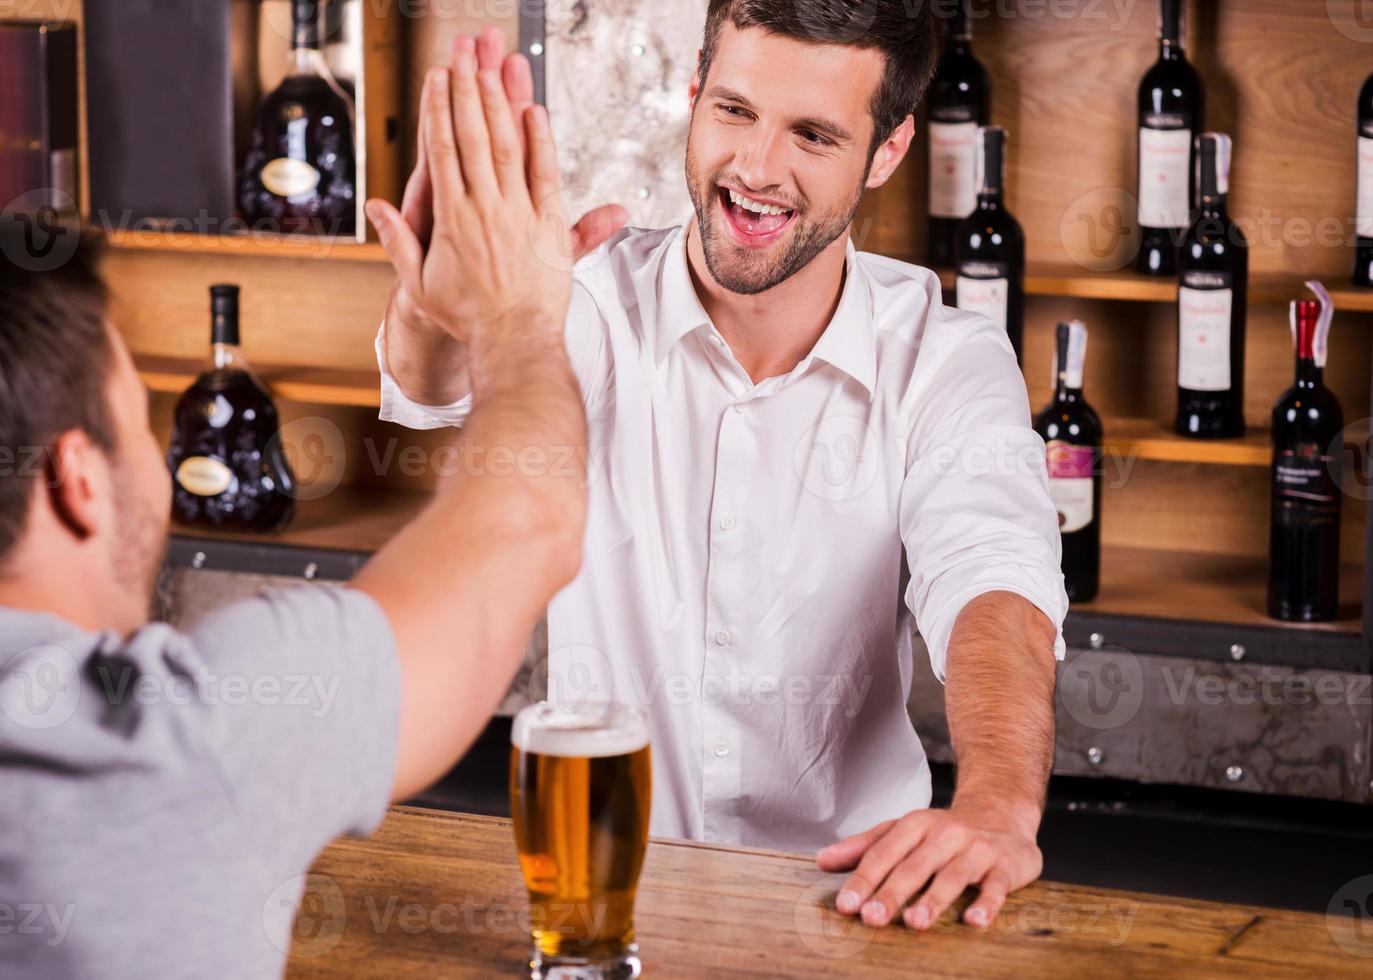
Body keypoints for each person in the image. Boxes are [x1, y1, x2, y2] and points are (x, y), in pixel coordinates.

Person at [369, 4, 1066, 934]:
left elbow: (995, 589)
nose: (756, 168)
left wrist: (996, 808)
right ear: (693, 99)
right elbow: (432, 381)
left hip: (853, 910)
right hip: (601, 892)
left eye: (813, 134)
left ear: (887, 151)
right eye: (734, 111)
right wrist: (432, 304)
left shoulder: (944, 361)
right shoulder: (585, 303)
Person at [0, 66, 578, 977]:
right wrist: (519, 315)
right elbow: (527, 519)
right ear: (78, 482)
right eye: (134, 423)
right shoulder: (182, 740)